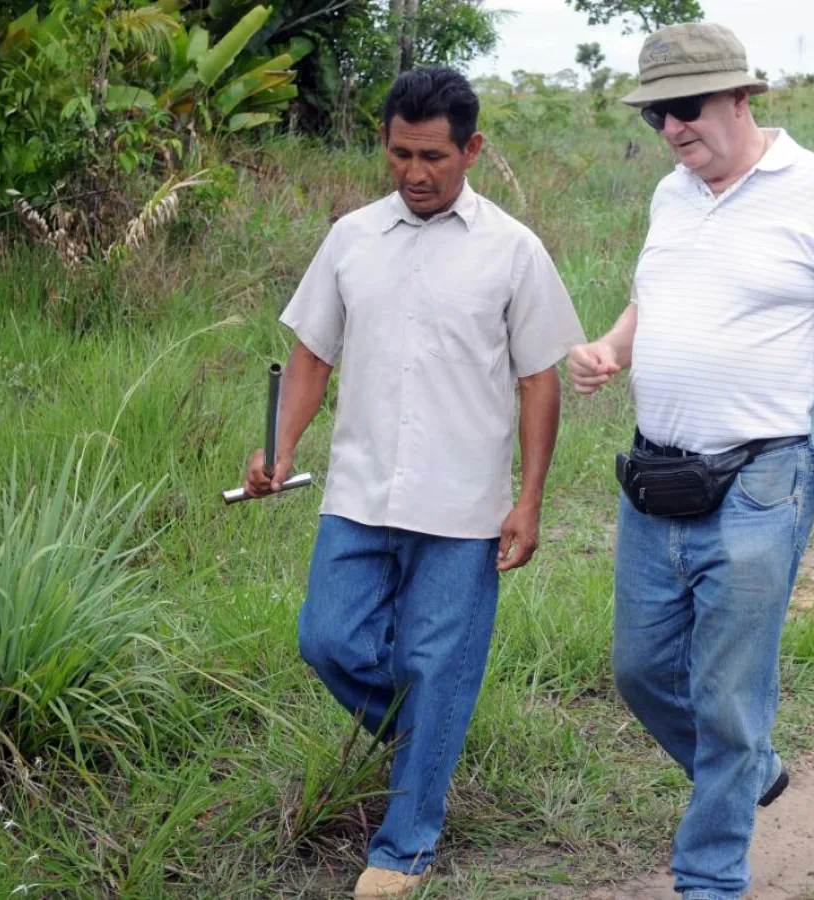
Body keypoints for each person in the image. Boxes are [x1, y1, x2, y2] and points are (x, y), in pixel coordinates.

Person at [567, 23, 814, 900]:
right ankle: (748, 768)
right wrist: (612, 345)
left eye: (686, 108)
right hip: (655, 478)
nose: (673, 129)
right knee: (640, 673)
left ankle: (709, 876)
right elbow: (654, 296)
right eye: (657, 116)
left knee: (726, 694)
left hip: (765, 482)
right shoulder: (670, 196)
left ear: (741, 98)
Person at [243, 66, 585, 899]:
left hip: (464, 506)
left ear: (471, 149)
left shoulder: (513, 250)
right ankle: (424, 748)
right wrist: (280, 448)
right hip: (358, 492)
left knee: (438, 665)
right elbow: (312, 354)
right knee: (327, 638)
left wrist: (529, 498)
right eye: (400, 153)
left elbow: (539, 379)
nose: (416, 173)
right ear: (385, 145)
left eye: (434, 155)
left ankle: (404, 848)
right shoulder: (352, 237)